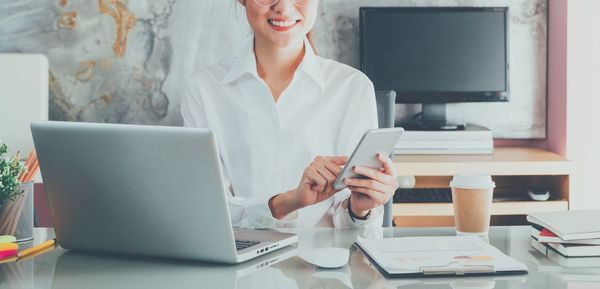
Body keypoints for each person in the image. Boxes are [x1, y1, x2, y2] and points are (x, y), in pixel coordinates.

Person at [180, 0, 398, 228]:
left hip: (324, 261)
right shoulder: (204, 88)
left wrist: (360, 209)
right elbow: (205, 211)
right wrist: (288, 201)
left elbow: (359, 236)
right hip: (235, 258)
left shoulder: (353, 87)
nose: (283, 8)